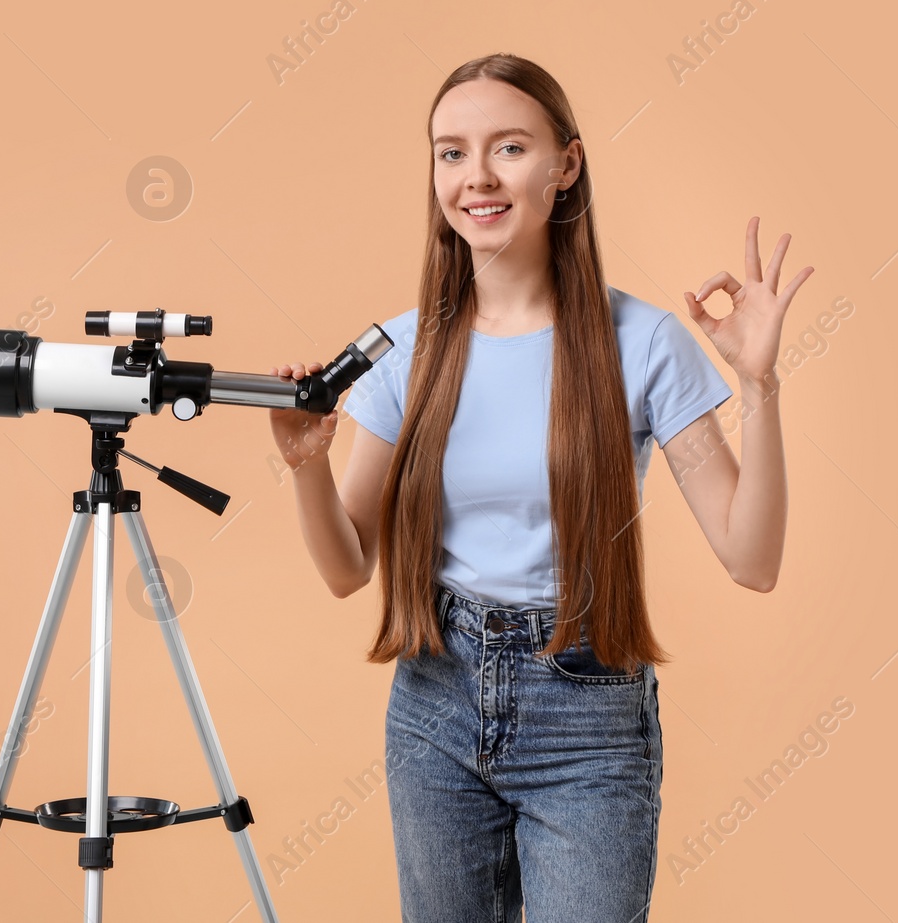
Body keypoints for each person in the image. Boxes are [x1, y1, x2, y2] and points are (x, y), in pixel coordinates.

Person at [267, 52, 810, 922]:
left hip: (588, 715)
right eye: (451, 152)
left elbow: (754, 559)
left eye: (508, 147)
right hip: (435, 703)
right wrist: (306, 467)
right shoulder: (399, 350)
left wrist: (759, 387)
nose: (476, 176)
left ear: (567, 165)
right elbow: (347, 567)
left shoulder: (644, 342)